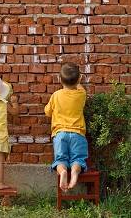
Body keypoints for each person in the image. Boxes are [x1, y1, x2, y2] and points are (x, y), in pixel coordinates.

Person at [44, 63, 88, 192]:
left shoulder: (56, 95)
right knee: (78, 159)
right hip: (78, 134)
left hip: (60, 134)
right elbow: (79, 87)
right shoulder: (81, 94)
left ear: (59, 79)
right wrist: (78, 80)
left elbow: (47, 112)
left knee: (60, 159)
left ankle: (63, 172)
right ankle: (74, 172)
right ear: (79, 79)